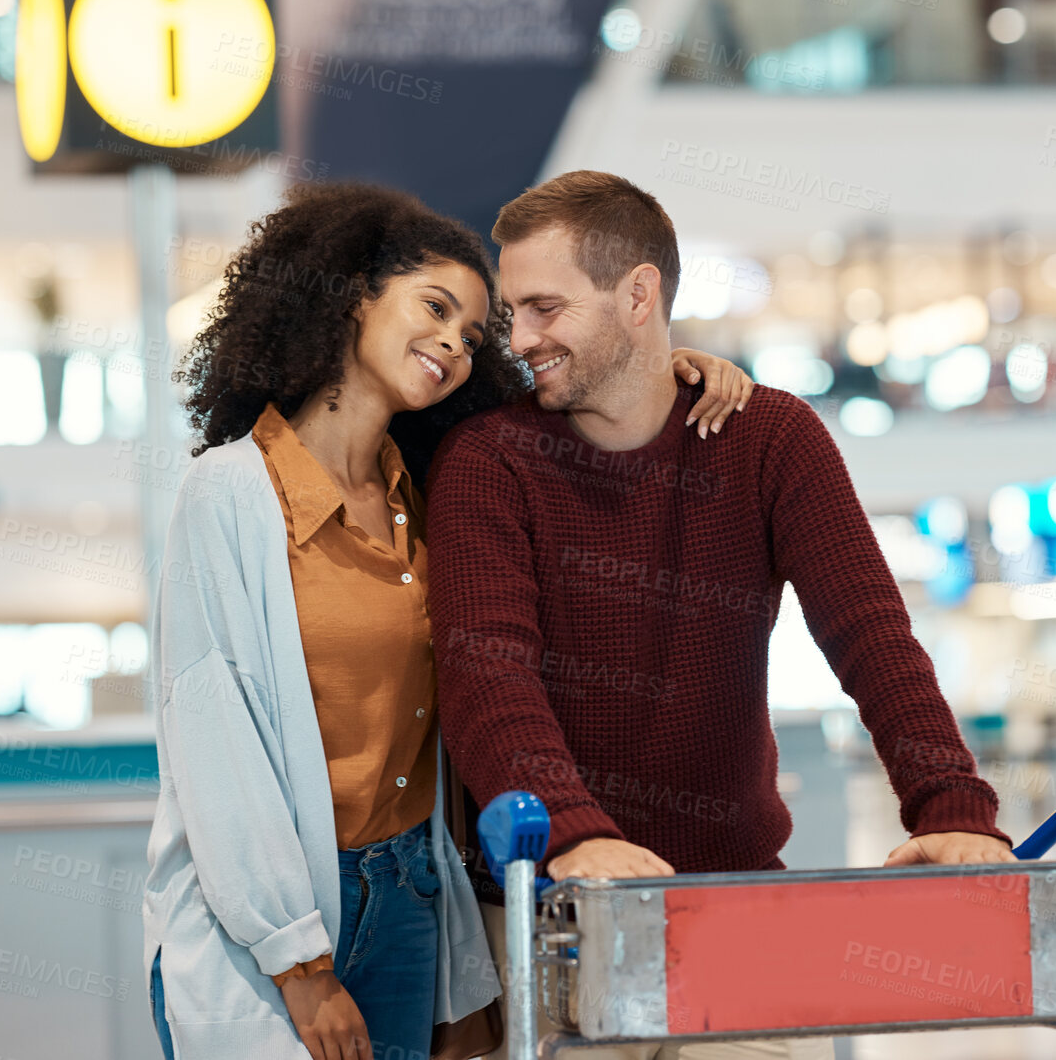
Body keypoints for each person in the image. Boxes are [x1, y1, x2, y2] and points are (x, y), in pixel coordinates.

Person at [141, 181, 753, 1060]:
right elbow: (215, 747)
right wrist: (301, 966)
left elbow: (588, 422)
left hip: (410, 893)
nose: (453, 346)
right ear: (351, 292)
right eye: (434, 307)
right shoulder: (230, 493)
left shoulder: (429, 496)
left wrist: (675, 364)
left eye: (474, 336)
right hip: (272, 925)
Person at [425, 170, 1016, 1060]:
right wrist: (575, 834)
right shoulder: (489, 461)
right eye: (512, 312)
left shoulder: (770, 441)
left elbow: (870, 634)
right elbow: (486, 670)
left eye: (544, 307)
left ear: (637, 294)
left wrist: (951, 806)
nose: (520, 338)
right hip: (545, 918)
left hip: (731, 910)